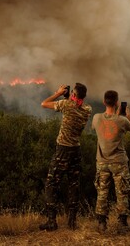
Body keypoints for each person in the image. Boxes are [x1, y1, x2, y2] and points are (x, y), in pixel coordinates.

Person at [39, 83, 92, 231]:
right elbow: (77, 104)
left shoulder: (66, 105)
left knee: (51, 184)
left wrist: (58, 93)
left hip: (63, 149)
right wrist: (70, 96)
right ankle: (72, 222)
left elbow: (44, 104)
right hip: (76, 150)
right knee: (73, 185)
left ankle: (51, 221)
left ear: (74, 95)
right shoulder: (88, 110)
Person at [92, 90, 130, 233]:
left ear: (104, 102)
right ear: (117, 103)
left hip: (102, 162)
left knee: (102, 192)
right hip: (119, 162)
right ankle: (122, 224)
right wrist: (129, 116)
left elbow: (107, 126)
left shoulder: (96, 118)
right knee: (122, 192)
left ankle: (101, 223)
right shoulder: (122, 120)